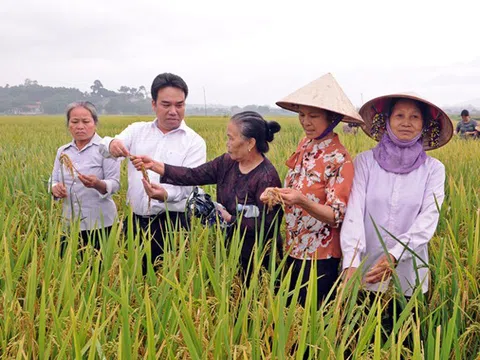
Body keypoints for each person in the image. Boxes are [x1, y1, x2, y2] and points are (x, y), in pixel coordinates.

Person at [130, 111, 283, 283]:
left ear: (250, 142)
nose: (228, 144)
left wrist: (231, 219)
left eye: (231, 138)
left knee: (251, 300)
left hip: (257, 256)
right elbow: (193, 175)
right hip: (228, 248)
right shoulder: (227, 162)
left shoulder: (267, 177)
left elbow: (270, 225)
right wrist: (157, 166)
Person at [261, 73, 364, 307]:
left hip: (320, 256)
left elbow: (337, 215)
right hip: (293, 247)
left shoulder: (340, 159)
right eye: (302, 115)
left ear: (333, 119)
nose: (306, 121)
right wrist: (276, 194)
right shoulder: (305, 145)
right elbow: (296, 188)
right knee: (289, 316)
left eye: (313, 116)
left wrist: (301, 201)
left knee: (313, 322)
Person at [341, 93, 453, 304]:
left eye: (414, 117)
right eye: (399, 115)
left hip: (408, 275)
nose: (406, 123)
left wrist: (395, 255)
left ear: (424, 125)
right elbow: (354, 214)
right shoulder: (365, 162)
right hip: (365, 272)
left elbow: (428, 219)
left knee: (406, 334)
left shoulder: (434, 170)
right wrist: (351, 262)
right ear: (387, 120)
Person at [98, 73, 206, 271]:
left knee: (171, 283)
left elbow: (190, 185)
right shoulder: (137, 131)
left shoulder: (194, 142)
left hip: (173, 225)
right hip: (136, 223)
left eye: (179, 105)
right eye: (166, 105)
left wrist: (165, 195)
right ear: (154, 104)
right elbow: (105, 148)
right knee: (132, 278)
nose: (174, 111)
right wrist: (112, 144)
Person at [50, 101, 120, 250]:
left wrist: (98, 184)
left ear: (95, 123)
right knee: (68, 268)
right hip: (69, 224)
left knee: (100, 269)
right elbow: (53, 179)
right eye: (74, 121)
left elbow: (115, 183)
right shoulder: (63, 151)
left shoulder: (106, 149)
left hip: (100, 225)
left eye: (86, 121)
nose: (80, 126)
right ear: (68, 124)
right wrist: (55, 188)